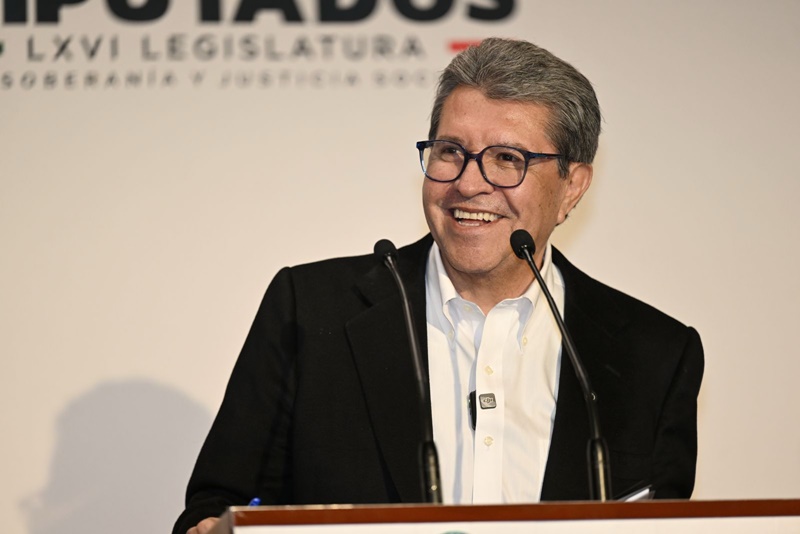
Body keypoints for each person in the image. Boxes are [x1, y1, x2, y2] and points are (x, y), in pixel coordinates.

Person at [174, 38, 704, 534]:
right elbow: (219, 506)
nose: (468, 183)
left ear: (572, 187)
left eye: (507, 159)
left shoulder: (652, 356)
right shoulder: (312, 311)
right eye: (451, 151)